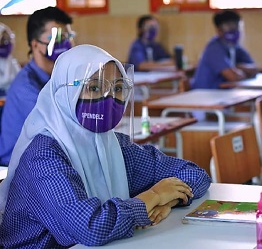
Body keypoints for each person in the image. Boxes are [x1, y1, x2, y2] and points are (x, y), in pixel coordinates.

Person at [0, 44, 211, 248]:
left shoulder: (115, 145)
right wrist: (153, 196)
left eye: (118, 88)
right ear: (64, 94)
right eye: (93, 88)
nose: (109, 98)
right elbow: (90, 227)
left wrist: (169, 201)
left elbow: (195, 174)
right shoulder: (44, 156)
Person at [0, 6, 74, 166]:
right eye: (58, 37)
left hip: (43, 159)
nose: (66, 43)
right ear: (35, 45)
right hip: (14, 169)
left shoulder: (56, 78)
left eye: (68, 36)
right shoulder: (25, 87)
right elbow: (59, 130)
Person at [191, 10, 259, 90]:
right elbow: (234, 77)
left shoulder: (234, 46)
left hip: (223, 94)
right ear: (219, 31)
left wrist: (237, 67)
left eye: (236, 27)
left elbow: (254, 69)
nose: (233, 31)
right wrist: (241, 70)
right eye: (228, 27)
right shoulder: (214, 48)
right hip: (205, 95)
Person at [0, 23, 20, 97]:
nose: (6, 43)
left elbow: (19, 79)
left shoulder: (12, 61)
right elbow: (3, 81)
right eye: (3, 40)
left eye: (8, 40)